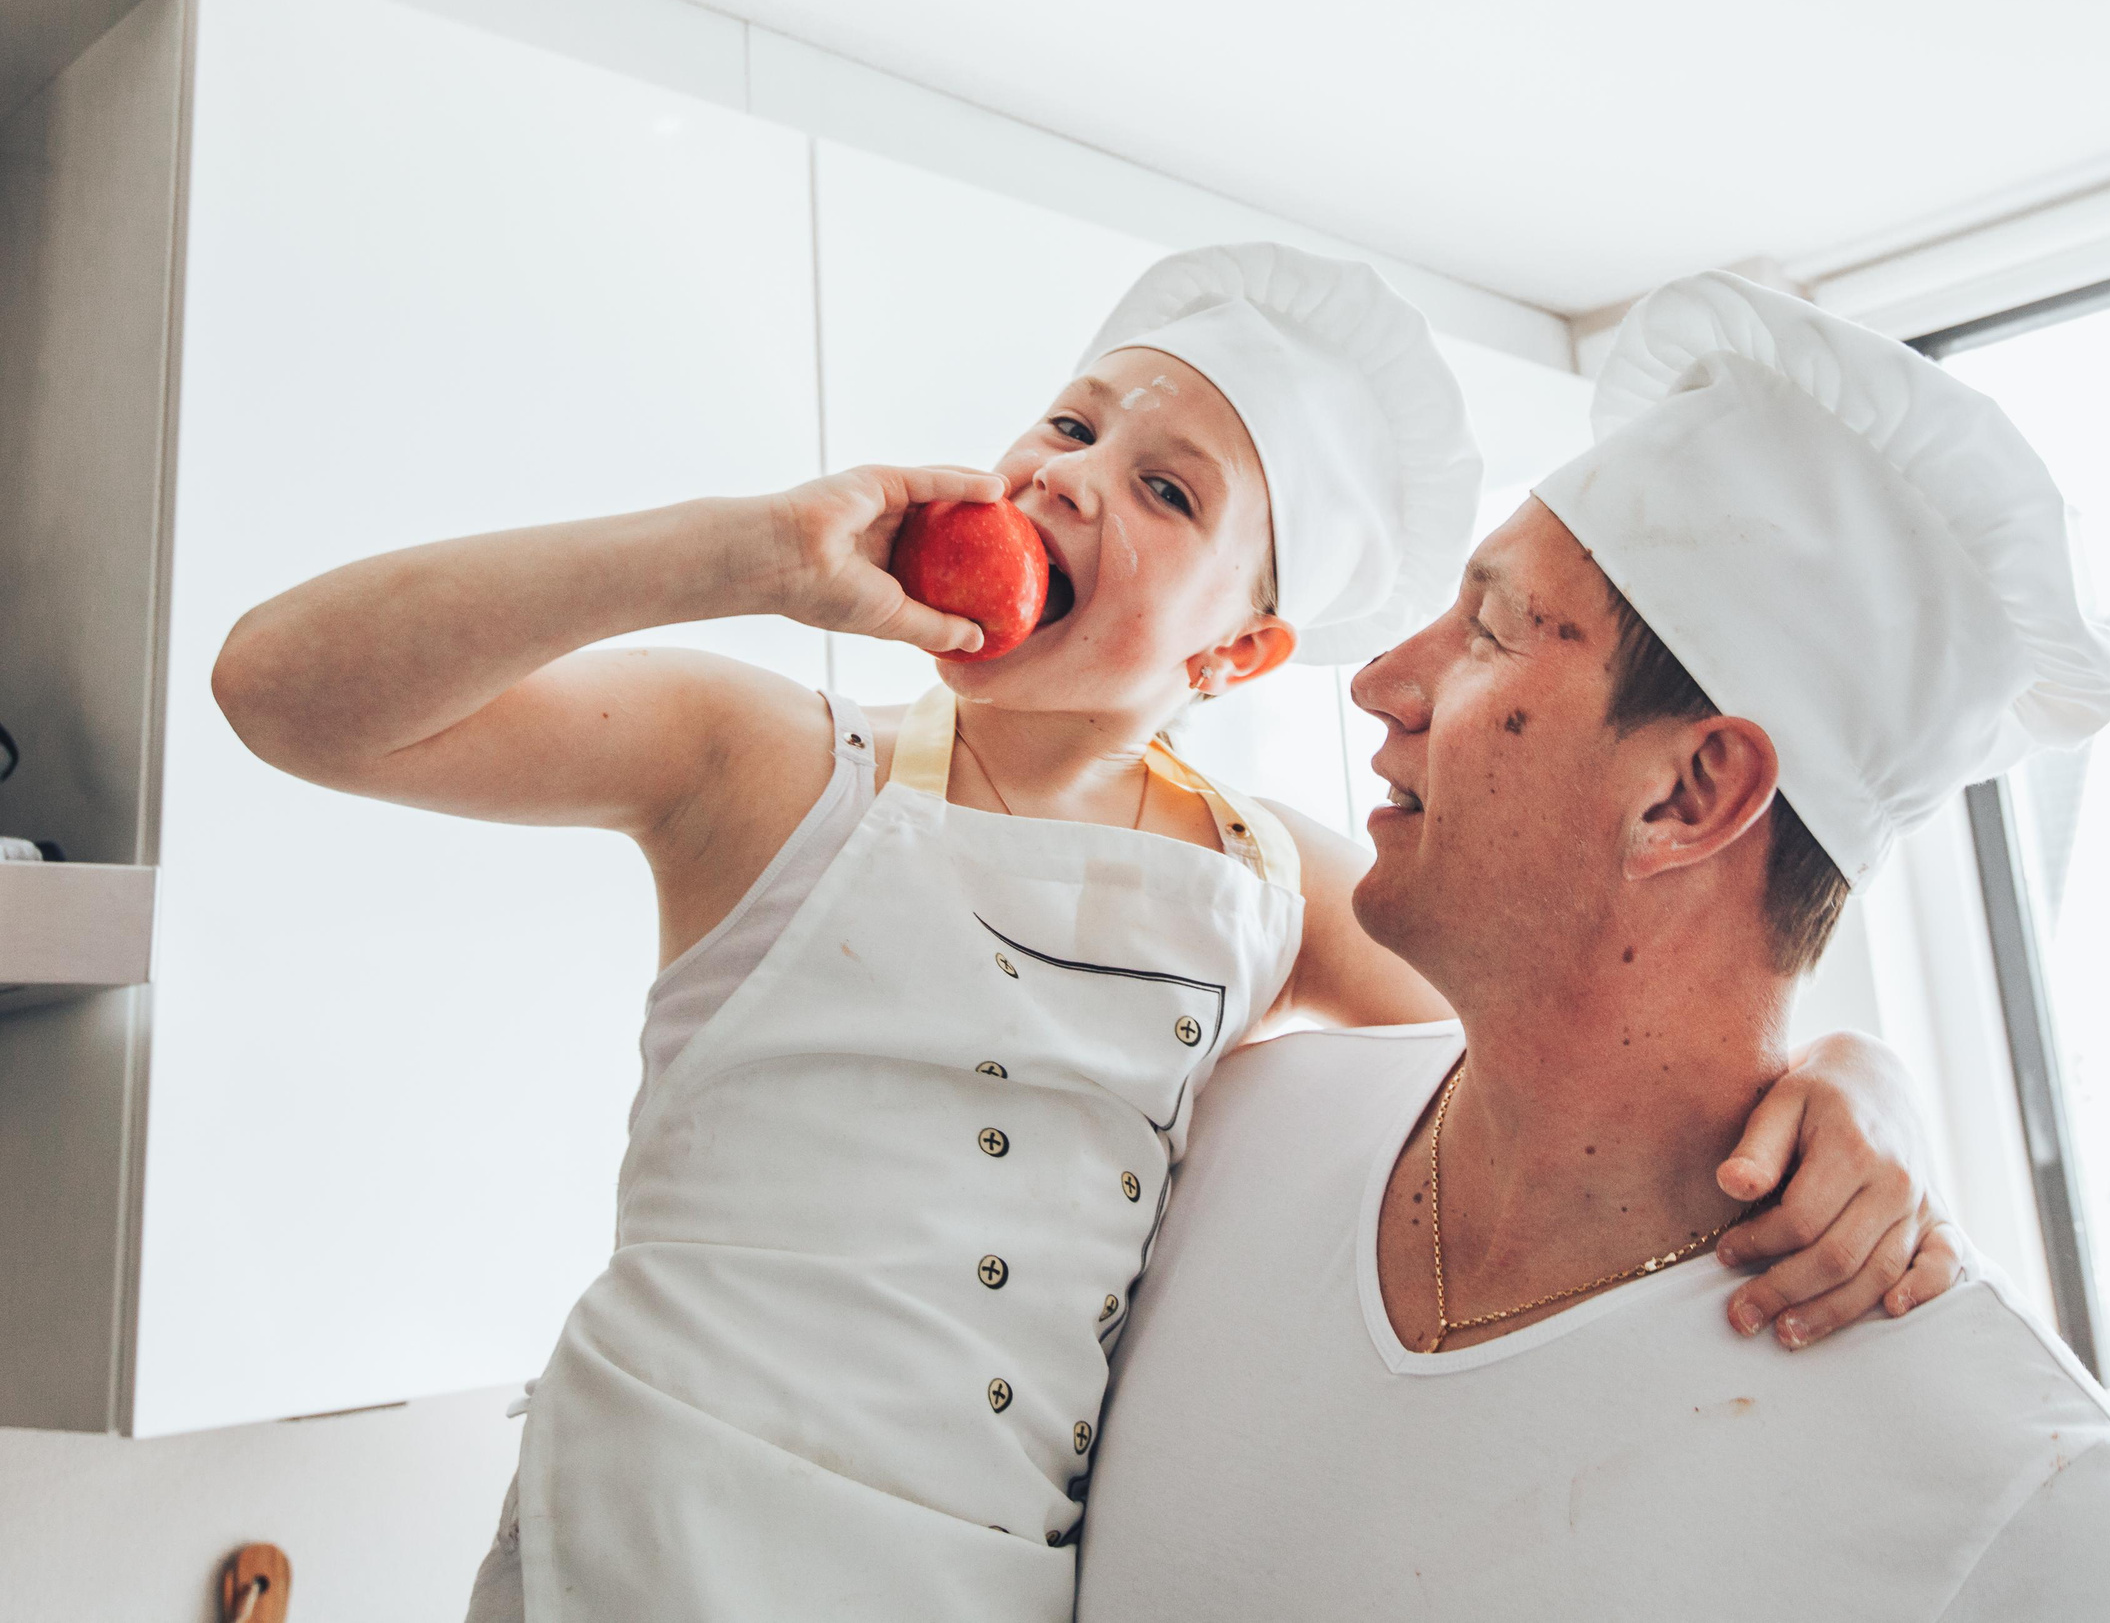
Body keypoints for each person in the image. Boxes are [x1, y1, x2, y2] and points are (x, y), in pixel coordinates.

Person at [211, 245, 1963, 1623]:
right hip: (647, 1540)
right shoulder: (764, 765)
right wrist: (748, 551)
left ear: (1235, 658)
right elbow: (288, 695)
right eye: (1072, 423)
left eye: (1170, 489)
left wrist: (1849, 1074)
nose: (1069, 478)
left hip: (977, 1588)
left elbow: (1589, 1017)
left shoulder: (1266, 885)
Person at [1075, 271, 2110, 1619]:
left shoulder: (2027, 1509)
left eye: (1491, 628)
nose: (1381, 683)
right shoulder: (1225, 1134)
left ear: (1690, 795)